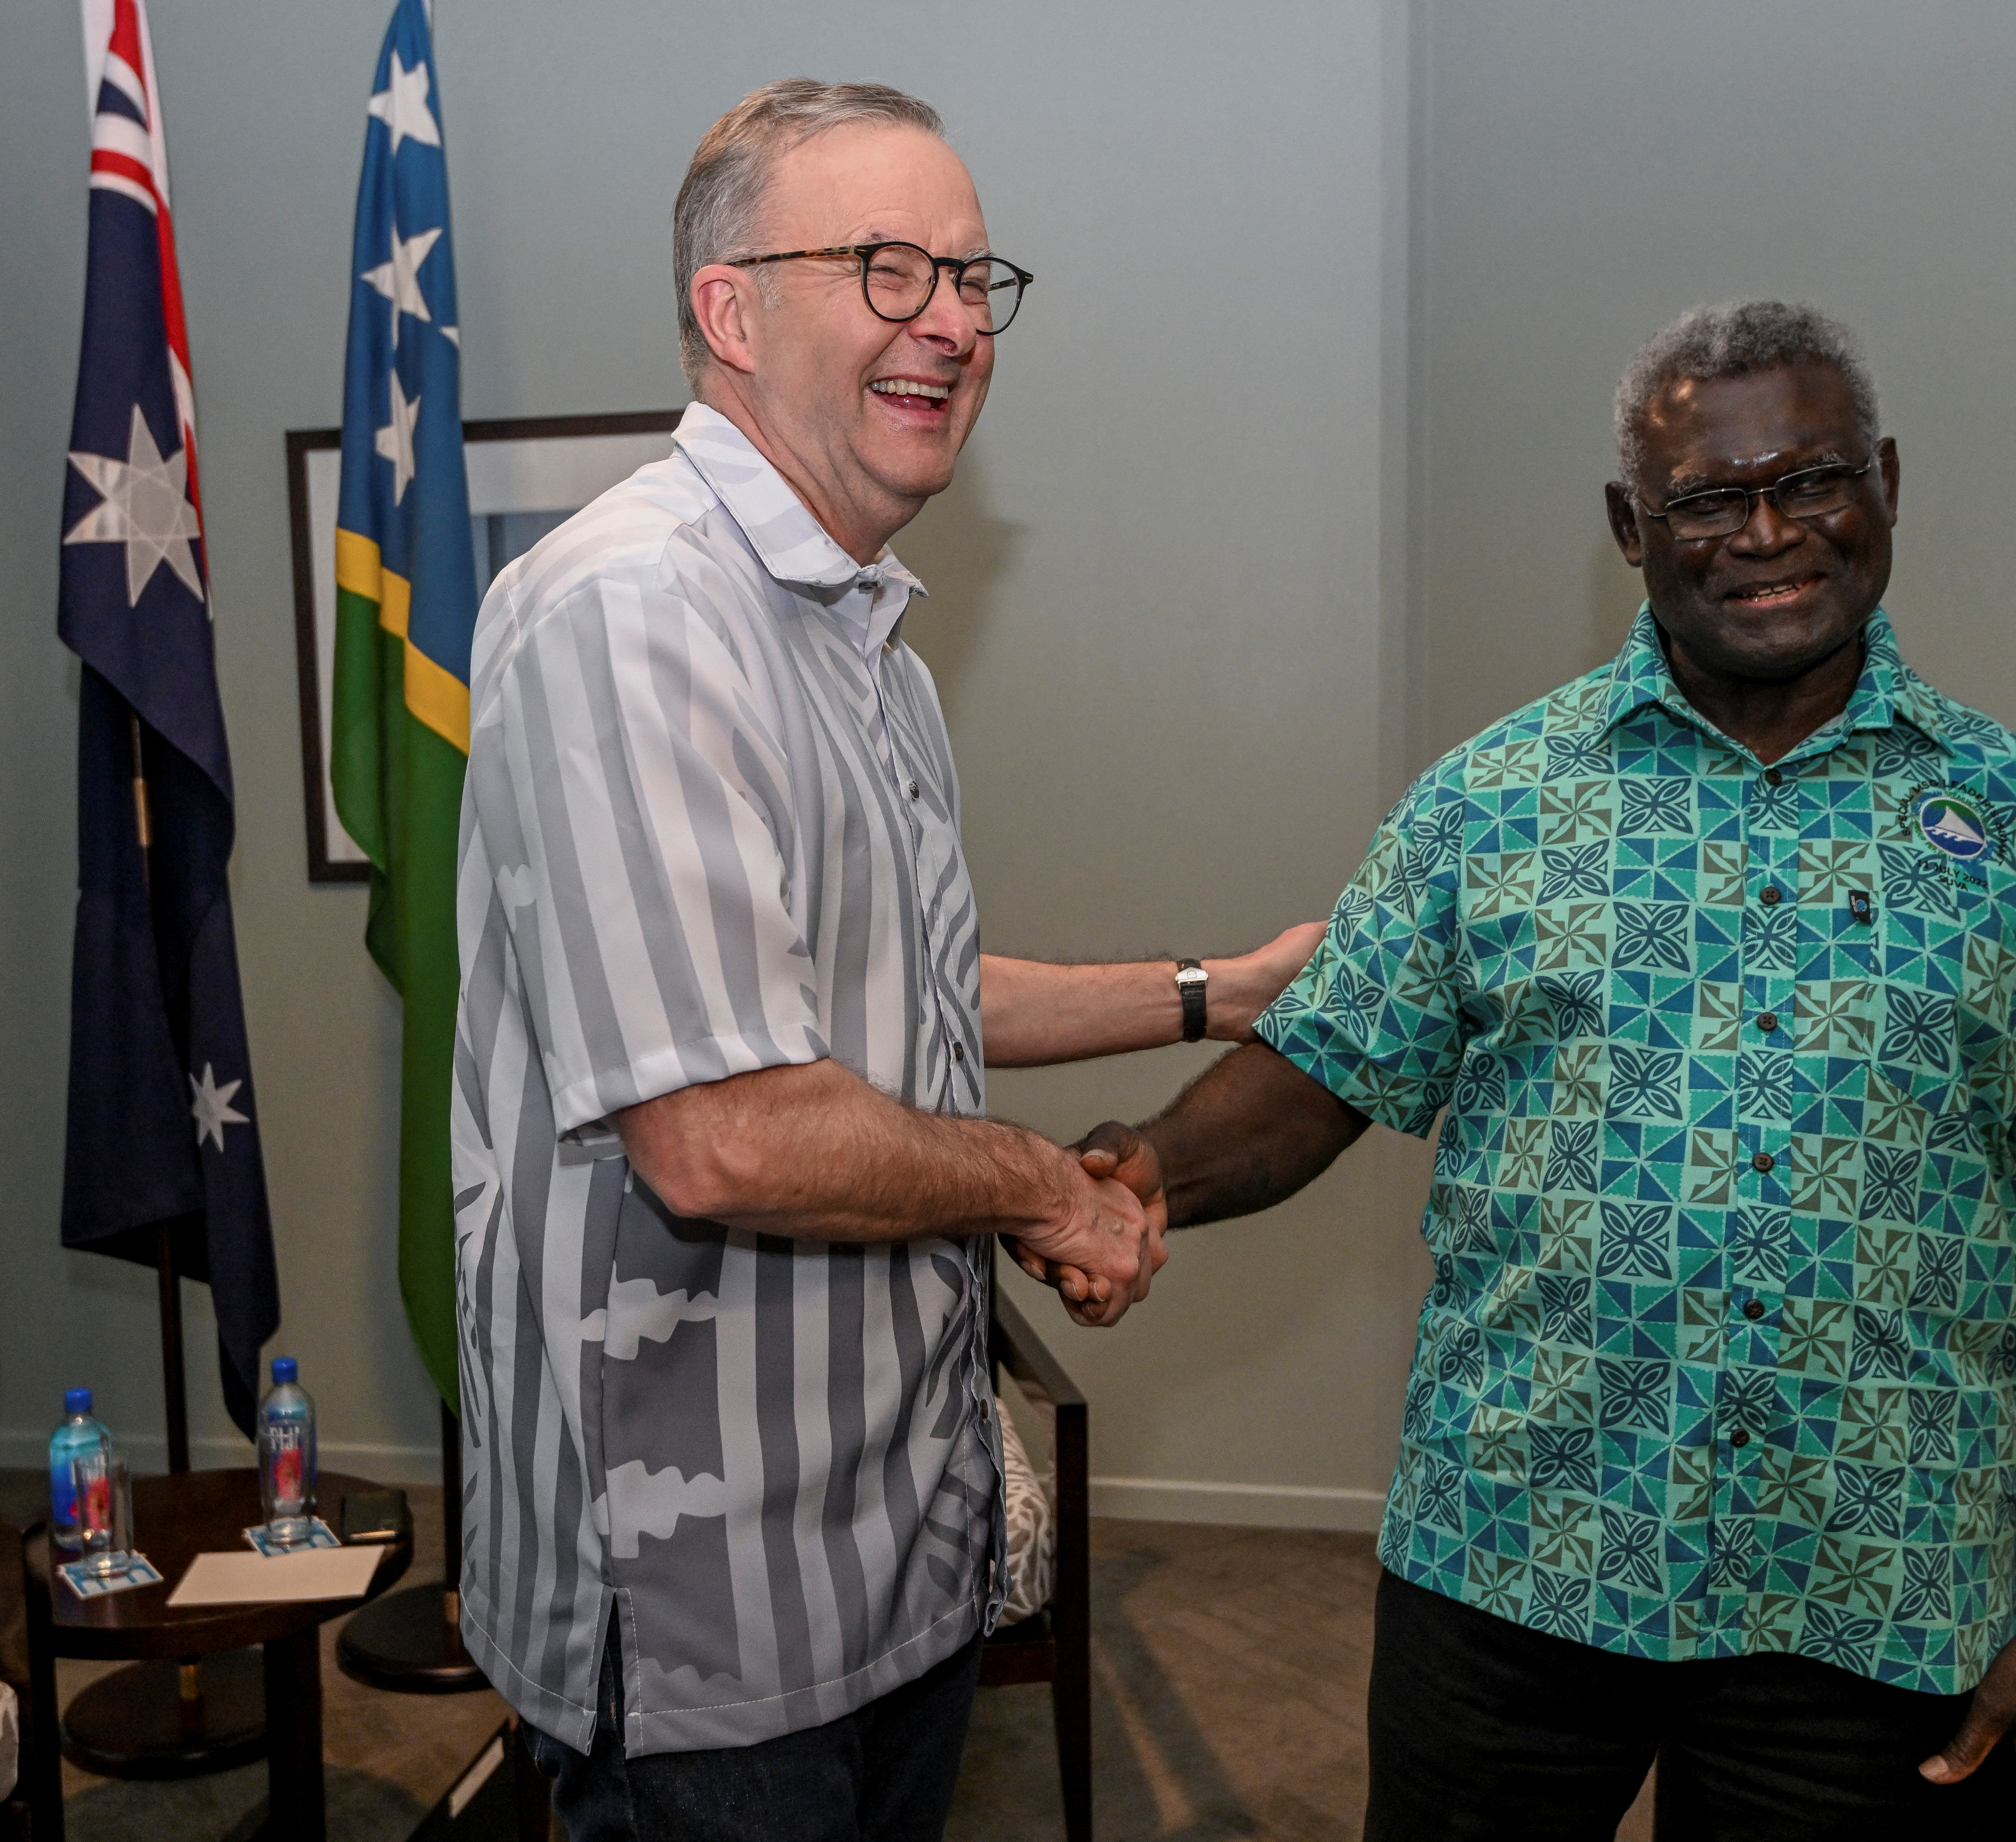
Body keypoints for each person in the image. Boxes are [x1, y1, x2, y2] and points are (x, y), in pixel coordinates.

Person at [1065, 302, 2016, 1841]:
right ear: (1630, 528)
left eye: (1812, 479)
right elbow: (1320, 1068)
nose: (1767, 532)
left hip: (1873, 1596)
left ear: (1887, 483)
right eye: (1709, 499)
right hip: (1514, 1563)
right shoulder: (1491, 803)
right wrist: (1138, 1176)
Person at [451, 79, 1316, 1842]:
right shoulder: (636, 613)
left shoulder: (874, 651)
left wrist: (1217, 991)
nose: (950, 322)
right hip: (708, 1628)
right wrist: (1046, 1192)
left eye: (972, 278)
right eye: (887, 268)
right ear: (730, 311)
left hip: (894, 1566)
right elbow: (727, 1130)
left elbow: (902, 994)